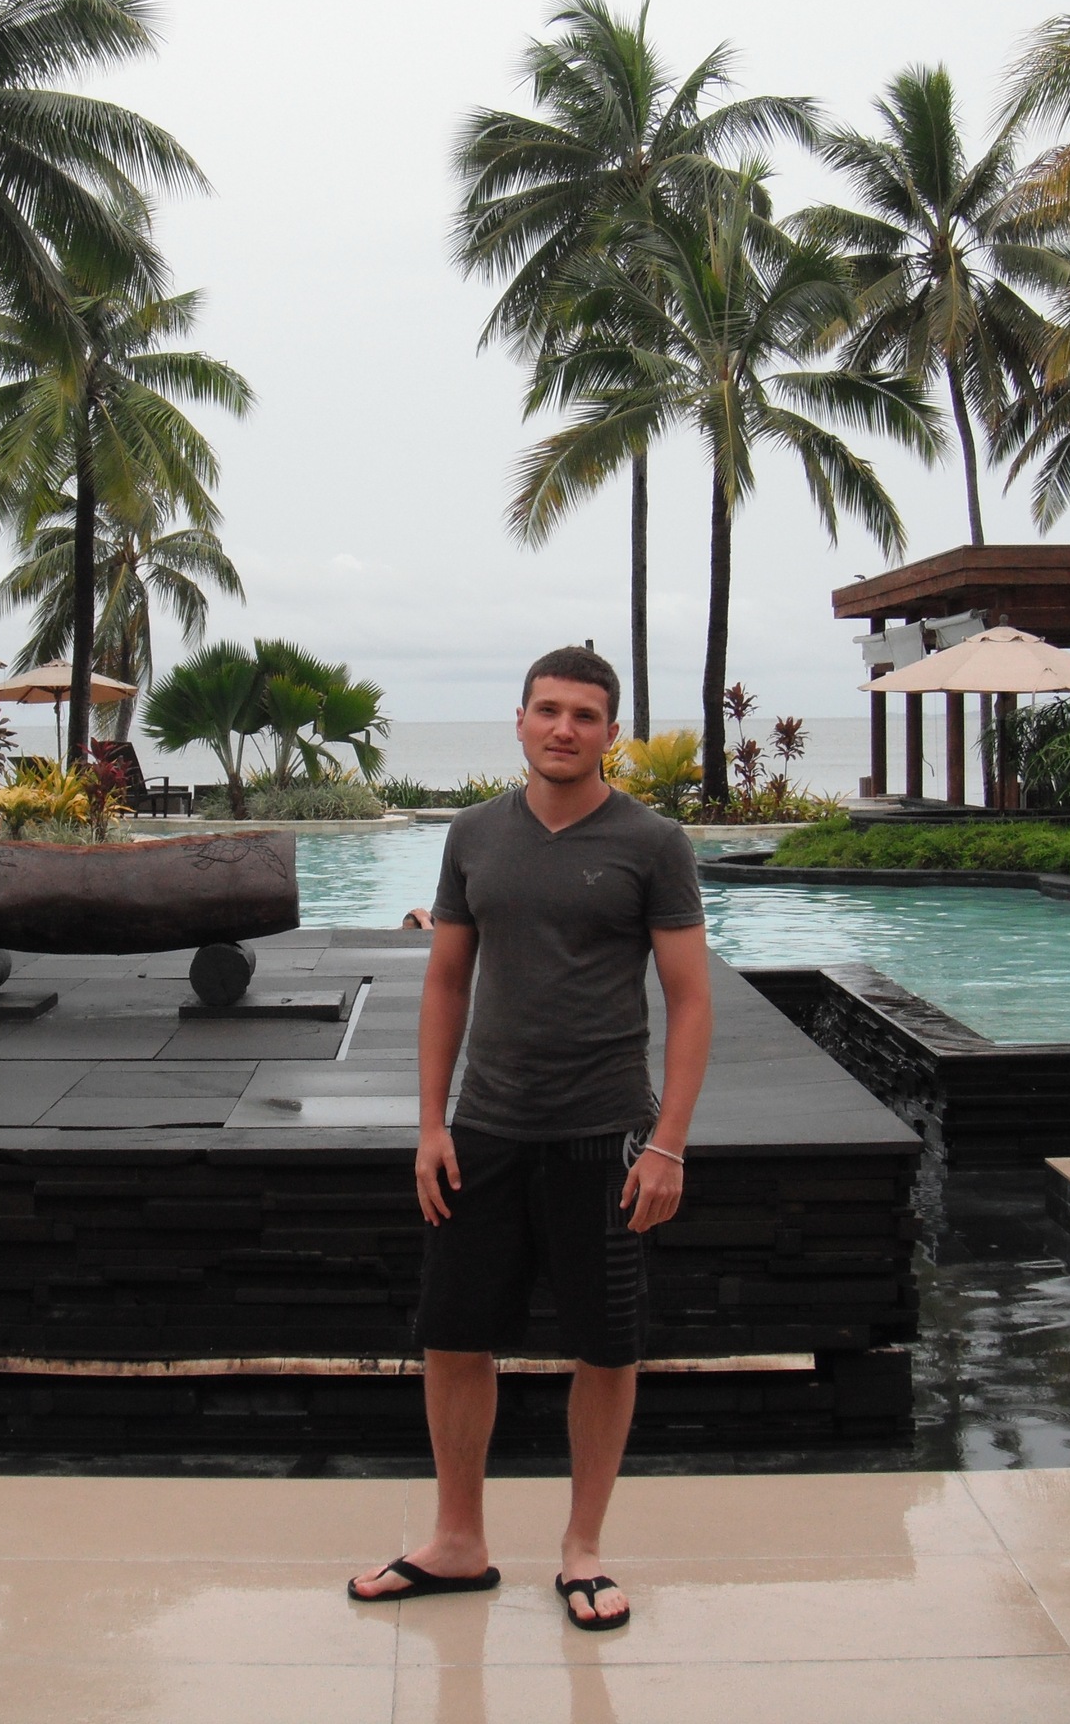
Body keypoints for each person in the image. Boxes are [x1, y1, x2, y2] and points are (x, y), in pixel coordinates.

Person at [348, 646, 712, 1633]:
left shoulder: (652, 843)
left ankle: (583, 1549)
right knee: (453, 1337)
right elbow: (445, 982)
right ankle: (457, 1542)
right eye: (547, 710)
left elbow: (689, 999)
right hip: (487, 1128)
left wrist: (669, 1143)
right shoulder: (472, 835)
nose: (563, 729)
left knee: (606, 1348)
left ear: (610, 733)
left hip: (605, 1133)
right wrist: (430, 1125)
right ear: (518, 720)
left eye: (584, 715)